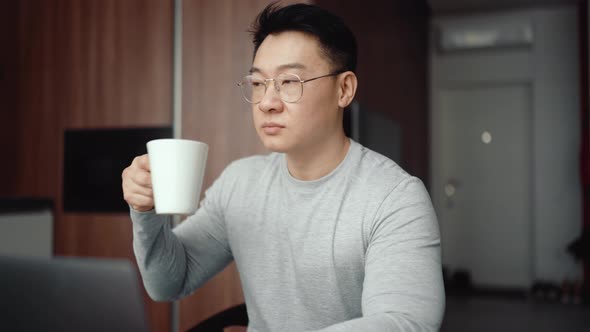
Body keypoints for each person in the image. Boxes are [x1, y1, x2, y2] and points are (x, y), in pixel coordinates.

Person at [122, 3, 445, 331]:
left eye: (290, 82)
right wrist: (145, 212)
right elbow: (169, 283)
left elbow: (405, 323)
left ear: (344, 89)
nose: (266, 102)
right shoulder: (240, 183)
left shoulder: (395, 197)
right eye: (259, 83)